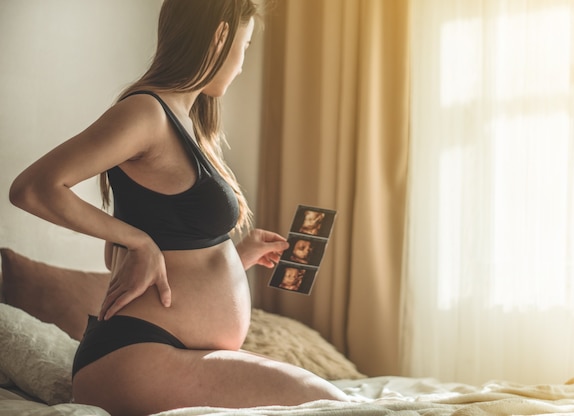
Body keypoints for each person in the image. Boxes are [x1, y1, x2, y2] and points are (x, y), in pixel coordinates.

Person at [8, 1, 348, 415]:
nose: (242, 65)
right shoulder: (146, 113)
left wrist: (237, 257)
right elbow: (33, 188)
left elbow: (176, 255)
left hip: (165, 350)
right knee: (330, 404)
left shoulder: (186, 120)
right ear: (221, 36)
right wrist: (138, 242)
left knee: (333, 400)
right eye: (246, 45)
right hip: (137, 353)